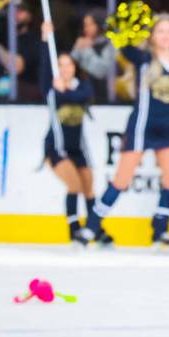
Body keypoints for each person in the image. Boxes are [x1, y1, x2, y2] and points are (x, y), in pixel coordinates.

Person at [81, 14, 169, 250]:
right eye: (160, 31)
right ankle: (91, 226)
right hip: (141, 127)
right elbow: (123, 45)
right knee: (122, 180)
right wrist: (124, 26)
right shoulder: (143, 59)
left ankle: (160, 230)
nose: (165, 36)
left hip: (166, 129)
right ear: (152, 36)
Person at [40, 20, 97, 246]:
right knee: (74, 186)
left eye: (69, 65)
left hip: (78, 148)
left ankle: (96, 229)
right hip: (57, 148)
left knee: (89, 188)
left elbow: (84, 96)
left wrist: (67, 91)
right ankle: (74, 230)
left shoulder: (82, 87)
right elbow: (44, 67)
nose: (65, 69)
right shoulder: (51, 89)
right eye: (61, 65)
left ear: (74, 67)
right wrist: (45, 40)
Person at [70, 9, 115, 101]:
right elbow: (69, 67)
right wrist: (77, 49)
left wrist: (86, 49)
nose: (86, 28)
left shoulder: (110, 45)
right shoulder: (82, 43)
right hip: (82, 95)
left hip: (104, 98)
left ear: (99, 24)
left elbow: (101, 72)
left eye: (90, 24)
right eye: (85, 25)